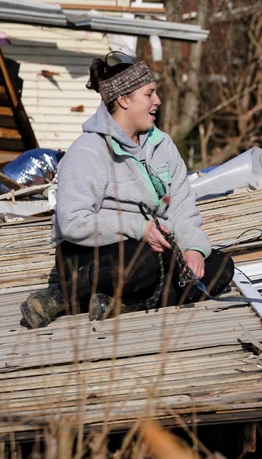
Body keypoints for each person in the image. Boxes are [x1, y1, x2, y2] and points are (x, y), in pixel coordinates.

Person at [21, 52, 235, 328]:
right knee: (143, 264)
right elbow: (73, 223)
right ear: (124, 99)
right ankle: (60, 297)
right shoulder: (87, 152)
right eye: (149, 94)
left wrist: (193, 249)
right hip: (91, 255)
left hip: (151, 250)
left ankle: (123, 304)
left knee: (220, 266)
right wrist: (139, 227)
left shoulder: (163, 145)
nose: (157, 101)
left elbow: (182, 206)